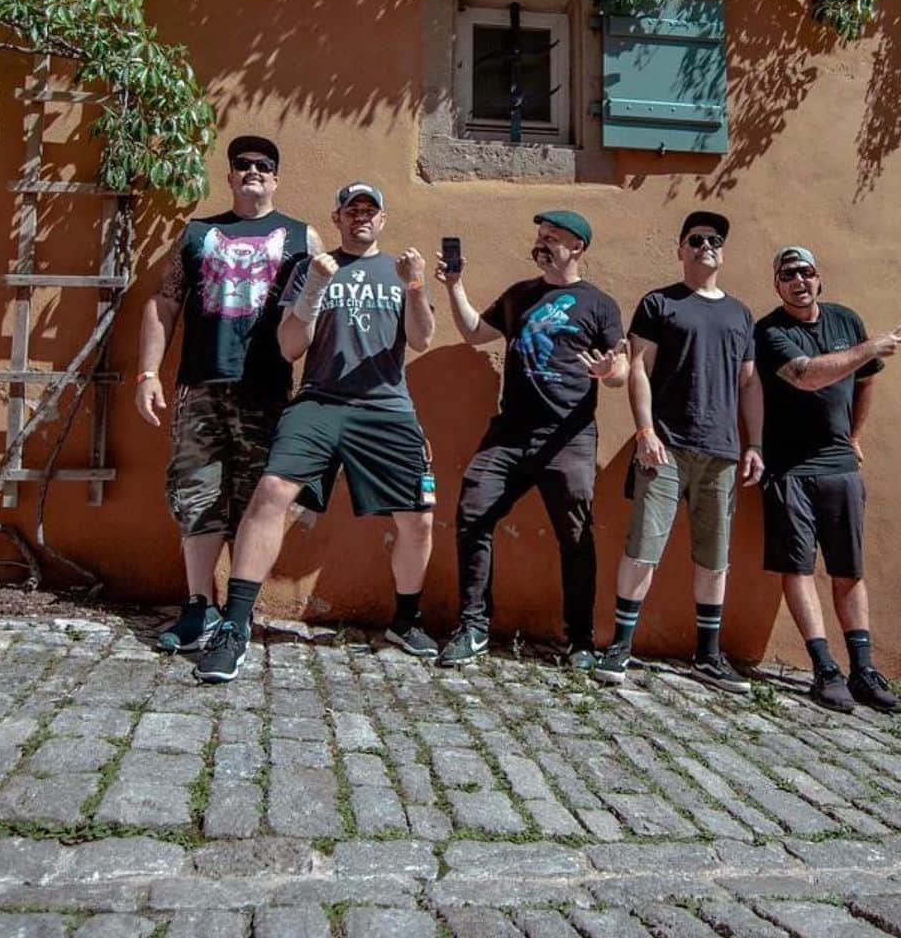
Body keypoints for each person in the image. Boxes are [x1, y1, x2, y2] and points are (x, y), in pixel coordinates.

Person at [193, 182, 437, 682]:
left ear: (382, 221)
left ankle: (406, 620)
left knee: (419, 519)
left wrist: (416, 285)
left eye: (371, 210)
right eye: (352, 210)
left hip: (385, 405)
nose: (361, 218)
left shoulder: (399, 271)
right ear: (337, 217)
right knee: (272, 491)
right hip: (319, 402)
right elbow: (288, 347)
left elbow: (422, 338)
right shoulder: (310, 269)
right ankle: (235, 628)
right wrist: (312, 289)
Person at [135, 135, 320, 653]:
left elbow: (323, 313)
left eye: (264, 164)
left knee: (256, 503)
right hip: (201, 385)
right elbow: (165, 303)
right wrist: (147, 373)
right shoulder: (197, 233)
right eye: (243, 164)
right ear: (231, 175)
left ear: (276, 178)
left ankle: (237, 614)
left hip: (266, 388)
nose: (253, 171)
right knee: (198, 497)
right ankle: (198, 607)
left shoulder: (305, 238)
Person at [435, 210, 627, 669]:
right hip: (510, 434)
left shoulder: (598, 304)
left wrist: (609, 372)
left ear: (577, 247)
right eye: (540, 237)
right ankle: (475, 627)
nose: (542, 244)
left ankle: (580, 641)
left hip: (569, 437)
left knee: (576, 535)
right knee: (473, 514)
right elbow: (474, 333)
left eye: (553, 239)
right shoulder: (520, 295)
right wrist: (454, 285)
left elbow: (620, 366)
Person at [595, 211, 763, 691]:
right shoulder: (659, 304)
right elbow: (639, 369)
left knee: (714, 559)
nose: (705, 246)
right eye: (696, 239)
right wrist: (645, 431)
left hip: (723, 454)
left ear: (722, 253)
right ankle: (620, 646)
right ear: (681, 250)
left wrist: (756, 445)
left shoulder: (740, 314)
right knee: (643, 549)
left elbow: (748, 384)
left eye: (714, 240)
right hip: (665, 448)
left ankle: (707, 656)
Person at [754, 246, 901, 712]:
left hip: (840, 468)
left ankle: (863, 669)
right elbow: (806, 376)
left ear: (818, 278)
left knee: (848, 569)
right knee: (798, 568)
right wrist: (870, 347)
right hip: (789, 470)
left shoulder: (845, 319)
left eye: (805, 272)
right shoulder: (769, 332)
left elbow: (866, 381)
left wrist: (855, 434)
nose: (798, 281)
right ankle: (824, 668)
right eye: (788, 275)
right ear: (778, 285)